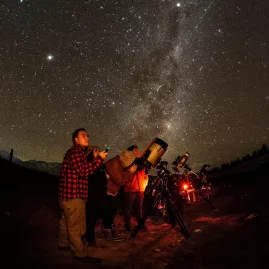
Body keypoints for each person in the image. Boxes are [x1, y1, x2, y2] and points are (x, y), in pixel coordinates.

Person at [57, 128, 107, 263]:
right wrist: (99, 160)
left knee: (65, 221)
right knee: (75, 226)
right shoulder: (75, 152)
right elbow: (83, 171)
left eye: (88, 135)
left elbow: (80, 170)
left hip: (66, 196)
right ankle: (79, 253)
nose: (87, 137)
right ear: (76, 140)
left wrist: (94, 158)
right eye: (83, 135)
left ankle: (63, 244)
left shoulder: (76, 153)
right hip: (73, 196)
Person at [86, 146, 137, 243]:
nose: (100, 152)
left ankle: (104, 233)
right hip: (104, 192)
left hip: (108, 191)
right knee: (101, 215)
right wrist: (130, 172)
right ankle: (98, 237)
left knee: (108, 213)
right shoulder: (114, 164)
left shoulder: (118, 163)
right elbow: (121, 181)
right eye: (96, 151)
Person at [123, 145, 149, 232]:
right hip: (130, 188)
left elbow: (144, 174)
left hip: (140, 188)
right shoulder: (128, 161)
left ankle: (141, 224)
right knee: (128, 209)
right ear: (130, 152)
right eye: (135, 150)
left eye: (137, 150)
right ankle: (127, 226)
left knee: (139, 209)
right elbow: (126, 172)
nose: (137, 151)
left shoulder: (142, 162)